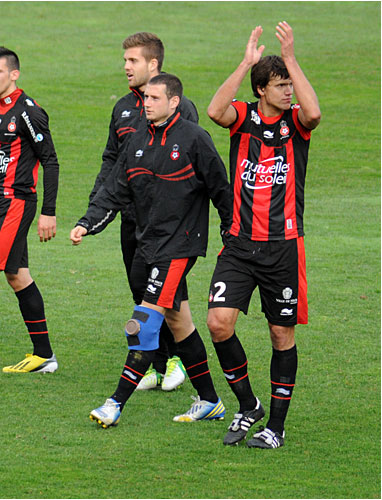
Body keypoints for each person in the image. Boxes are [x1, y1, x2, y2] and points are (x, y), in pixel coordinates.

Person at [70, 74, 232, 428]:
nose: (147, 103)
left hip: (180, 244)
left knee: (141, 324)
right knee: (179, 322)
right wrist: (88, 222)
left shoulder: (195, 139)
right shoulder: (137, 141)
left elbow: (221, 188)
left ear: (174, 102)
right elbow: (115, 189)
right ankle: (210, 400)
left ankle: (114, 404)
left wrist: (232, 232)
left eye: (155, 98)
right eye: (146, 97)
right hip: (148, 244)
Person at [205, 23, 321, 449]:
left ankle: (276, 425)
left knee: (280, 335)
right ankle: (248, 404)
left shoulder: (296, 124)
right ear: (260, 90)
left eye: (289, 84)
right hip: (238, 245)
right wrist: (246, 63)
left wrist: (290, 59)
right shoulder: (243, 119)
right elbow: (216, 110)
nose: (288, 91)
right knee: (219, 323)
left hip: (283, 248)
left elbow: (315, 114)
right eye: (279, 85)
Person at [88, 32, 199, 392]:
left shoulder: (180, 106)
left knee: (168, 296)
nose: (125, 66)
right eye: (125, 60)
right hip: (131, 220)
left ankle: (181, 359)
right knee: (141, 291)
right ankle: (156, 362)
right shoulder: (122, 108)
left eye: (132, 61)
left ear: (153, 65)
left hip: (168, 227)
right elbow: (111, 159)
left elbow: (193, 164)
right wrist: (95, 206)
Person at [0, 47, 60, 373]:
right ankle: (44, 355)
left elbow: (50, 159)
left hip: (17, 203)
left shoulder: (29, 112)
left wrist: (49, 211)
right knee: (17, 276)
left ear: (14, 74)